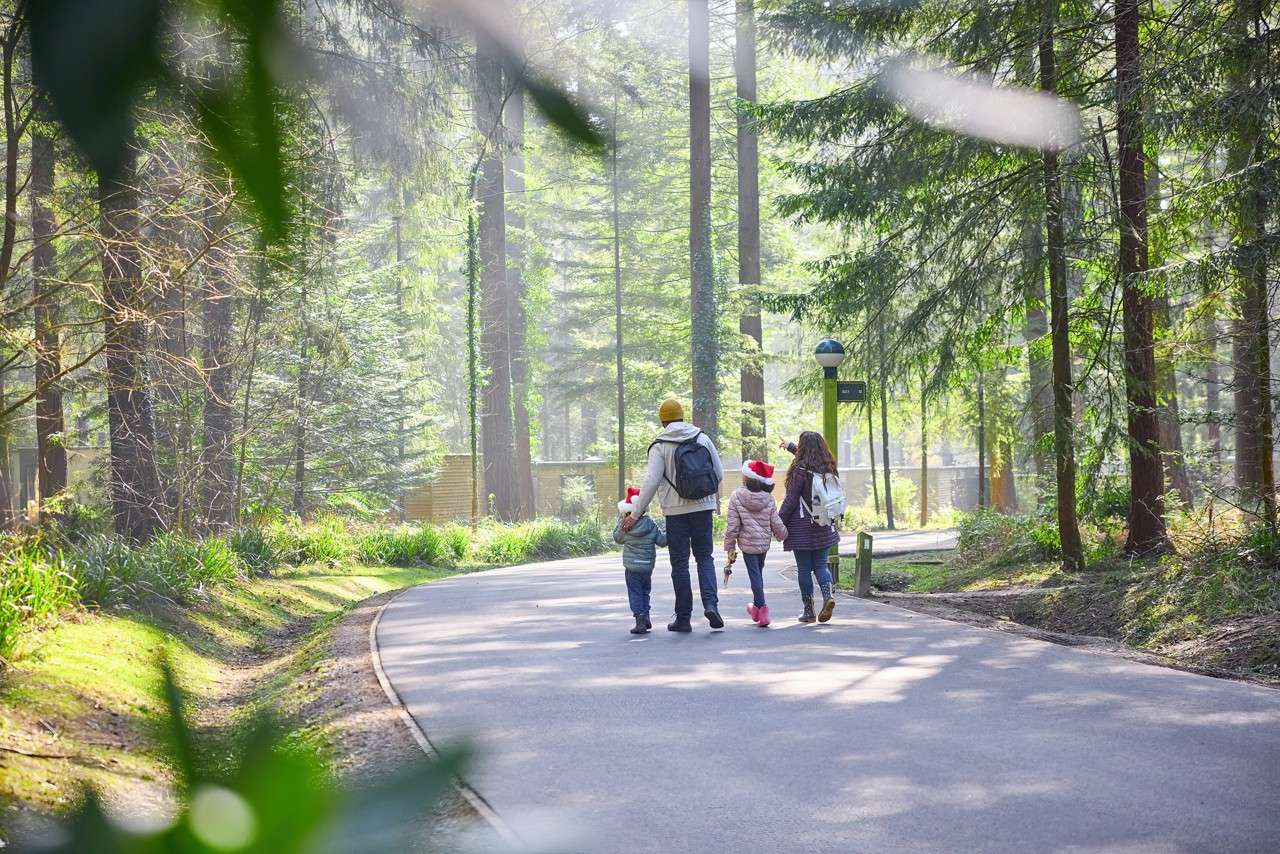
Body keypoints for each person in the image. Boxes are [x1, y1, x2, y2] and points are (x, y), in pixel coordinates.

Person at [624, 398, 724, 632]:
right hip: (703, 507)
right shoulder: (702, 438)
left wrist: (637, 513)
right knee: (705, 558)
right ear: (682, 416)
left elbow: (651, 482)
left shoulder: (660, 445)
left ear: (663, 420)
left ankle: (683, 618)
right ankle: (711, 604)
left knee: (680, 563)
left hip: (675, 512)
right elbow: (718, 474)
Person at [778, 432, 840, 623]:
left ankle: (808, 610)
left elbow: (790, 500)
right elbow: (807, 457)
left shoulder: (800, 469)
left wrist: (778, 521)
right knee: (820, 565)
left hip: (802, 527)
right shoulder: (828, 467)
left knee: (804, 569)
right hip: (823, 523)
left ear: (803, 447)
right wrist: (789, 446)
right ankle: (828, 596)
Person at [723, 459, 788, 627]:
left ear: (746, 478)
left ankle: (762, 610)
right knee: (757, 574)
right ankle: (756, 608)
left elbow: (733, 525)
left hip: (747, 544)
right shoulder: (769, 498)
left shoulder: (737, 496)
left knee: (755, 576)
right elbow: (776, 521)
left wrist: (729, 546)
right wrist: (784, 534)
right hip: (763, 544)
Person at [613, 486, 667, 635]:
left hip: (632, 568)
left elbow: (617, 539)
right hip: (647, 567)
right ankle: (646, 616)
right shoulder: (650, 524)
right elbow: (662, 541)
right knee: (645, 591)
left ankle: (640, 620)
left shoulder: (625, 526)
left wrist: (620, 522)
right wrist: (671, 530)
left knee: (635, 592)